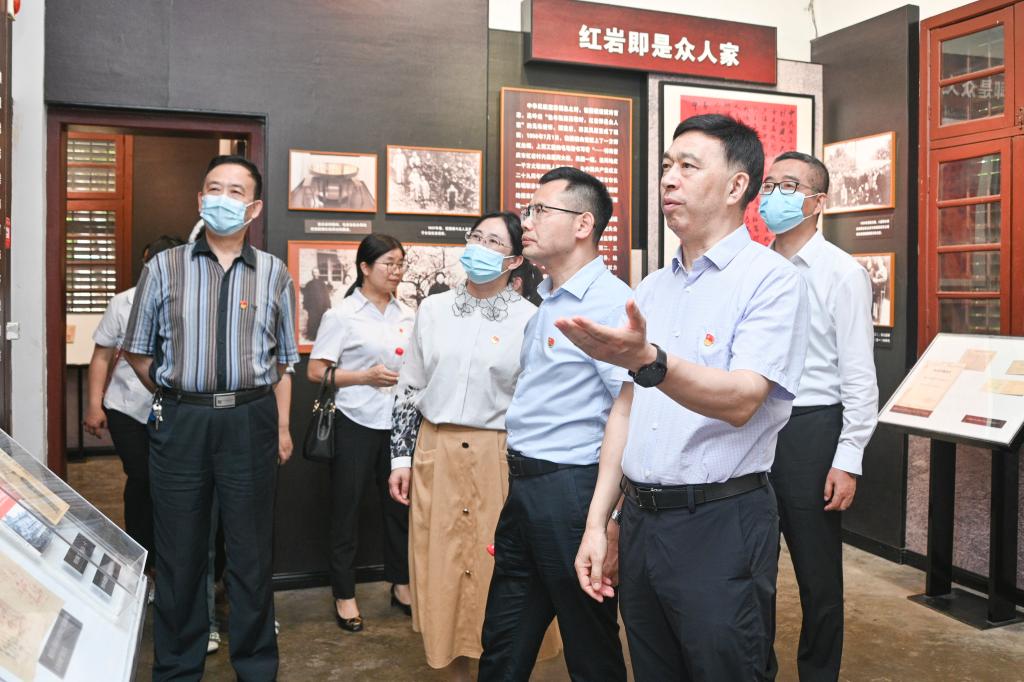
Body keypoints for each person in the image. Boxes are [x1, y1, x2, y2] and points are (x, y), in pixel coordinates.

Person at [565, 114, 810, 681]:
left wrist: (651, 361)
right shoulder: (653, 286)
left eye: (689, 166)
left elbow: (743, 399)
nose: (668, 179)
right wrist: (600, 522)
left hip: (721, 522)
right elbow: (626, 409)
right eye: (666, 166)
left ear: (736, 186)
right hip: (642, 521)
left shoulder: (770, 280)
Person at [123, 155, 298, 681]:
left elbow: (282, 361)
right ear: (200, 199)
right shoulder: (164, 267)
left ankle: (256, 667)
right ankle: (178, 668)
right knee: (179, 552)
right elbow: (137, 350)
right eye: (214, 189)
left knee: (250, 553)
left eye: (235, 191)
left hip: (250, 420)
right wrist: (179, 394)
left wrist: (279, 425)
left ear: (254, 207)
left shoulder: (274, 273)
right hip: (182, 421)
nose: (223, 198)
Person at [387, 212, 561, 680]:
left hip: (498, 456)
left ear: (514, 260)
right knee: (442, 570)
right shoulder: (433, 310)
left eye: (493, 242)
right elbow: (409, 388)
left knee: (496, 568)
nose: (479, 247)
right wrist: (401, 457)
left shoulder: (530, 319)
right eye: (476, 237)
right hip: (437, 452)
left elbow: (536, 401)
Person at [478, 167, 629, 682]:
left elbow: (630, 411)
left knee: (589, 649)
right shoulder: (549, 299)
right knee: (503, 641)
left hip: (572, 493)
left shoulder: (608, 303)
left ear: (583, 224)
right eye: (529, 210)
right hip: (526, 489)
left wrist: (609, 520)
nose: (527, 221)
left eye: (540, 210)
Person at [760, 152, 878, 681]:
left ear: (818, 202)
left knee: (817, 574)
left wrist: (847, 458)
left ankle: (819, 673)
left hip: (811, 430)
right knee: (751, 568)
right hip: (751, 424)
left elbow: (859, 375)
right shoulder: (754, 266)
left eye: (789, 187)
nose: (774, 196)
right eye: (769, 185)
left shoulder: (842, 273)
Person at [307, 234, 414, 633]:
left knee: (399, 508)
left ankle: (401, 584)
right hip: (354, 420)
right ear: (365, 267)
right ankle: (344, 593)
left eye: (400, 264)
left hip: (398, 423)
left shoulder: (409, 314)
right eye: (388, 263)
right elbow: (316, 371)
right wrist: (363, 377)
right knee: (346, 509)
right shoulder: (343, 314)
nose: (396, 271)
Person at [83, 235, 184, 569]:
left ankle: (171, 555)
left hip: (175, 409)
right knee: (142, 477)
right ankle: (143, 559)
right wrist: (94, 405)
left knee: (170, 482)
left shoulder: (189, 302)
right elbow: (101, 356)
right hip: (127, 407)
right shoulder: (122, 303)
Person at [302, 267, 333, 340]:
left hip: (321, 306)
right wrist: (305, 305)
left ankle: (320, 337)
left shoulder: (322, 284)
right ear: (312, 274)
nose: (315, 274)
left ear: (319, 273)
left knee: (321, 320)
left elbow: (326, 295)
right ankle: (312, 336)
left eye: (316, 272)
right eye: (313, 272)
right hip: (312, 306)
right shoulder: (309, 284)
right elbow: (306, 296)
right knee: (312, 320)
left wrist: (328, 305)